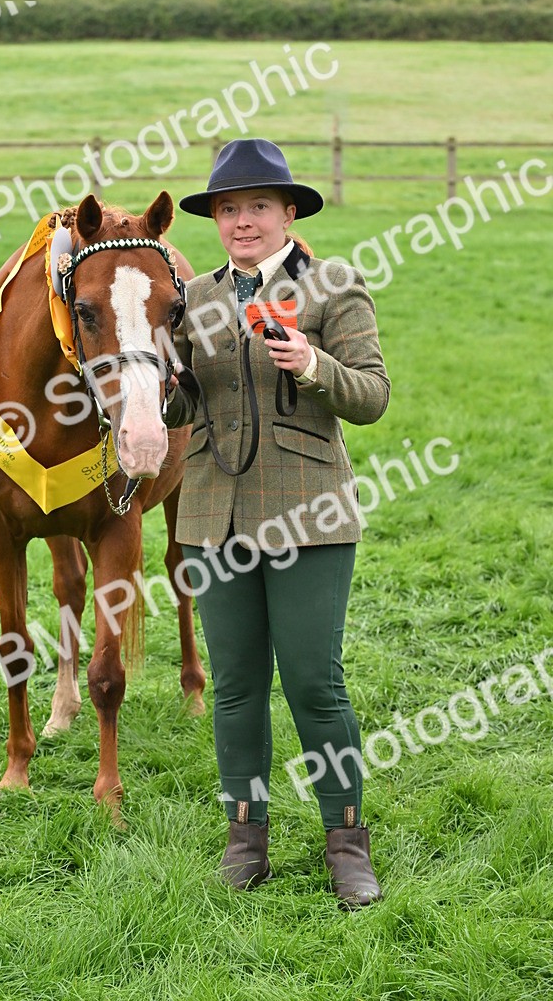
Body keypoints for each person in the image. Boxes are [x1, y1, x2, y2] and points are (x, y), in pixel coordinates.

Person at [163, 137, 390, 908]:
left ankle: (346, 842)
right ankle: (244, 837)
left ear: (288, 212)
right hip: (210, 514)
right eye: (228, 209)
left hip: (311, 515)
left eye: (257, 206)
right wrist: (158, 385)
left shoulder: (332, 286)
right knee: (233, 687)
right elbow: (185, 408)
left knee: (314, 684)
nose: (241, 221)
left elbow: (373, 396)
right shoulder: (194, 300)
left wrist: (313, 365)